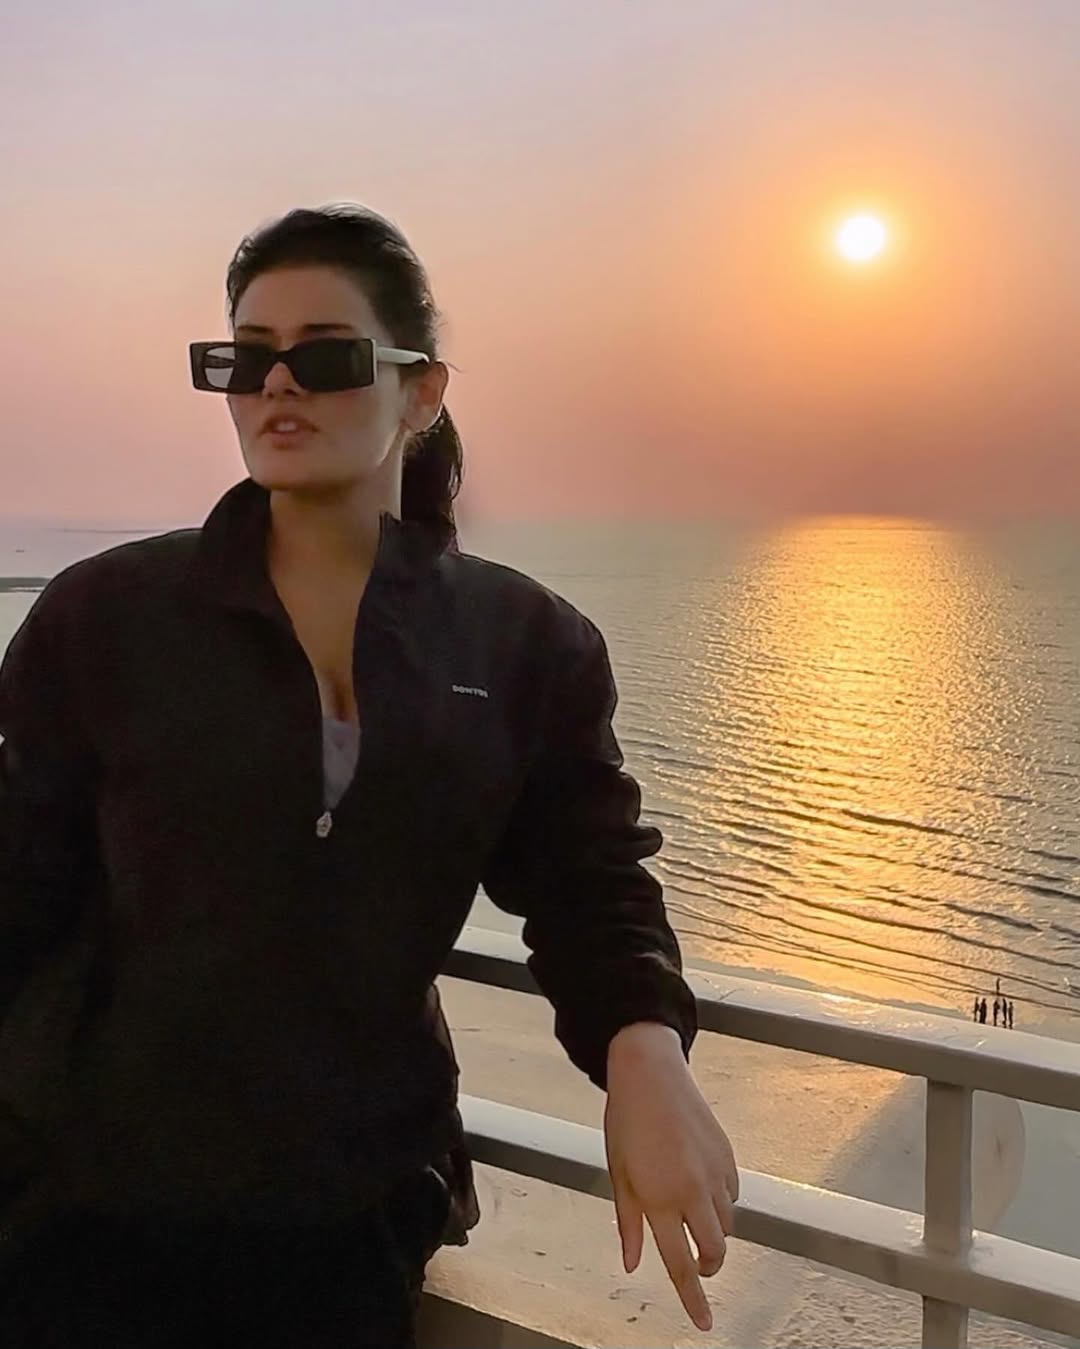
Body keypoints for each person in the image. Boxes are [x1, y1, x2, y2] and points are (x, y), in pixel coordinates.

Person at [0, 204, 739, 1347]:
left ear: (422, 391)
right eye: (246, 358)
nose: (276, 385)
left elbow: (590, 883)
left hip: (345, 1224)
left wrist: (645, 1050)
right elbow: (16, 887)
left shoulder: (524, 646)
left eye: (328, 356)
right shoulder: (105, 619)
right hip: (87, 1218)